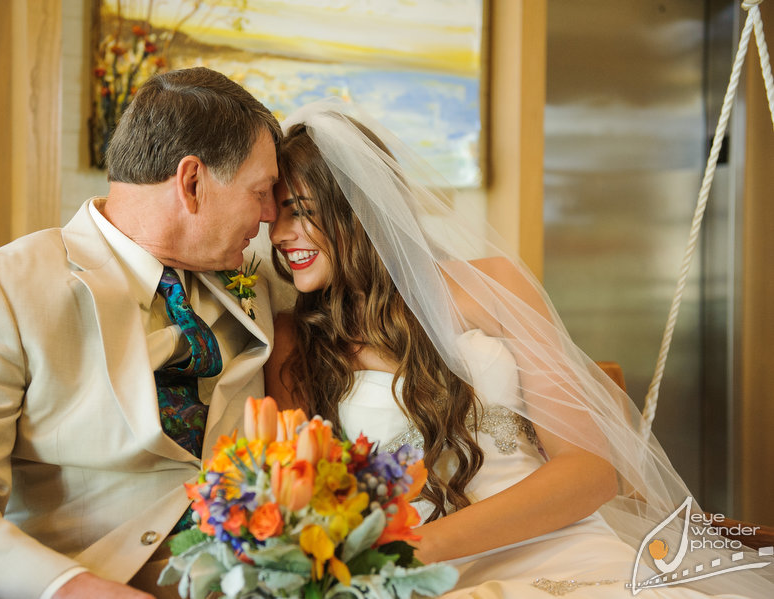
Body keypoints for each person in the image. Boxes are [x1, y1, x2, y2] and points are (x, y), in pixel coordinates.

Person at [264, 99, 774, 598]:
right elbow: (305, 501)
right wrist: (400, 559)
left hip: (560, 545)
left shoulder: (490, 285)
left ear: (361, 208)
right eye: (274, 217)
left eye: (300, 212)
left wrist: (425, 544)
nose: (281, 235)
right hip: (417, 578)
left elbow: (591, 471)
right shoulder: (294, 341)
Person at [0, 67, 280, 598]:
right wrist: (72, 588)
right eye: (263, 192)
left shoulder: (251, 283)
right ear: (192, 181)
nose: (271, 216)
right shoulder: (0, 287)